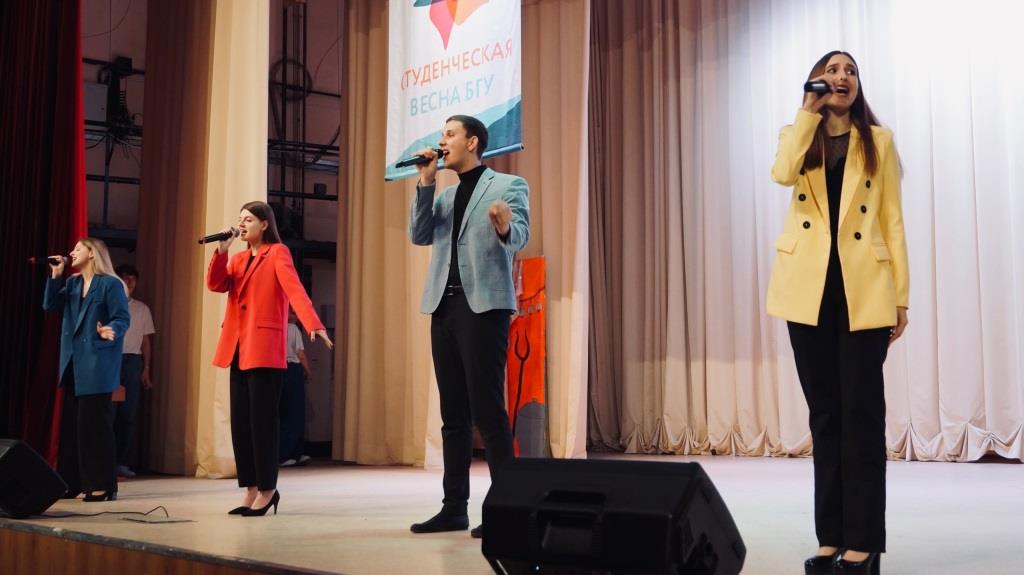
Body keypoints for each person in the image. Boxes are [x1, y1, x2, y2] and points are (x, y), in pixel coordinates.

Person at [767, 51, 909, 575]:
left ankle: (864, 543)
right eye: (832, 70)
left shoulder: (879, 141)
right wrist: (807, 112)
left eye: (850, 71)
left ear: (858, 85)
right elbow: (781, 174)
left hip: (864, 289)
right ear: (816, 83)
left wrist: (900, 296)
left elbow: (892, 220)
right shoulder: (797, 135)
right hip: (807, 293)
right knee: (824, 417)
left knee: (862, 418)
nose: (841, 77)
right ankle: (830, 538)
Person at [407, 114, 530, 539]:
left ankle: (508, 509)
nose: (442, 141)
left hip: (484, 308)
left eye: (449, 134)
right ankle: (453, 508)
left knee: (489, 412)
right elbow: (420, 235)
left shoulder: (508, 186)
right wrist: (425, 182)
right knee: (453, 415)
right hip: (444, 307)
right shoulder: (444, 196)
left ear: (472, 142)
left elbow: (520, 235)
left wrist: (504, 224)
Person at [206, 201, 333, 517]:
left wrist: (313, 323)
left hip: (264, 347)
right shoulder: (237, 259)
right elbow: (216, 285)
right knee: (241, 424)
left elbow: (295, 290)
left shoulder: (277, 253)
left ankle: (267, 489)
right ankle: (250, 488)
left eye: (248, 219)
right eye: (240, 219)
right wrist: (221, 251)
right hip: (237, 347)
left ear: (264, 224)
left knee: (262, 424)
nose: (242, 224)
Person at [43, 238, 130, 502]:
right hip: (73, 362)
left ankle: (102, 484)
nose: (71, 253)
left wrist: (110, 330)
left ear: (92, 253)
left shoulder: (110, 284)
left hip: (97, 361)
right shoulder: (72, 283)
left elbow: (121, 317)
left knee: (95, 426)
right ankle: (71, 482)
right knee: (72, 427)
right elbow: (50, 306)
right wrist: (55, 276)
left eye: (78, 249)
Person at [113, 264, 155, 478]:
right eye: (125, 277)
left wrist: (146, 368)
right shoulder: (110, 303)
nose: (129, 282)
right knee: (109, 412)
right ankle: (105, 461)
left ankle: (120, 461)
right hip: (113, 360)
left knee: (128, 414)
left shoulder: (142, 308)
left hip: (133, 361)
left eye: (133, 278)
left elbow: (146, 341)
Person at [279, 311, 312, 467]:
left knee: (283, 411)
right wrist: (308, 370)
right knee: (295, 411)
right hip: (292, 368)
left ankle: (294, 453)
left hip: (278, 369)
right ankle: (289, 454)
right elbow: (300, 353)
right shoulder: (292, 328)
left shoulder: (276, 327)